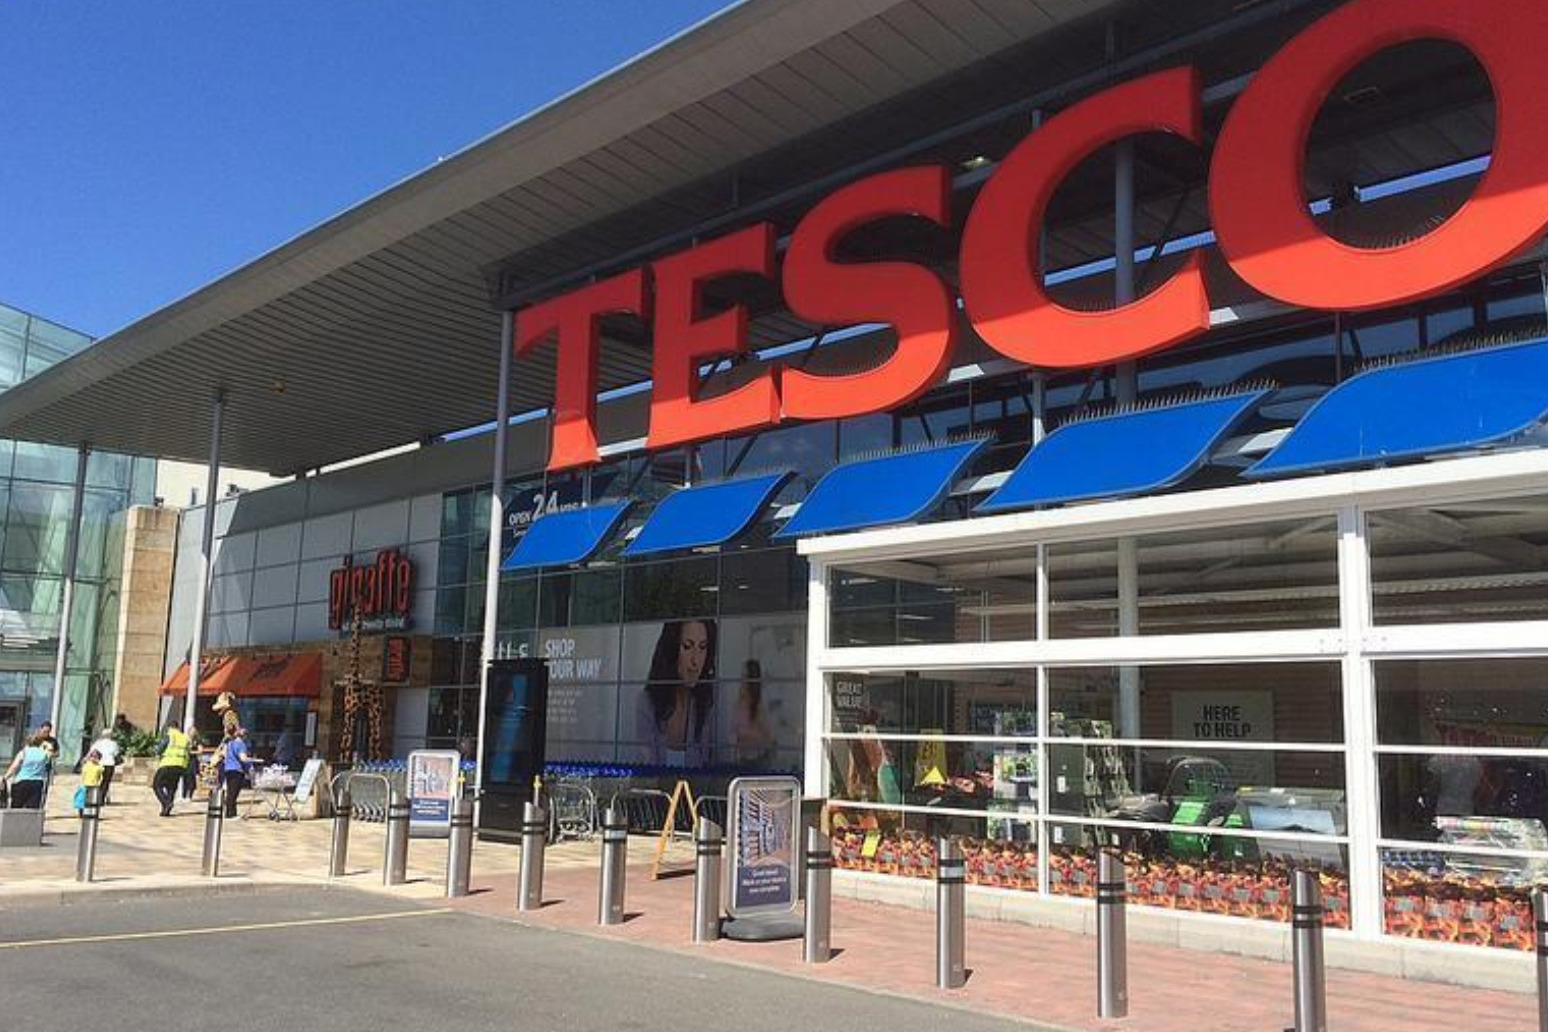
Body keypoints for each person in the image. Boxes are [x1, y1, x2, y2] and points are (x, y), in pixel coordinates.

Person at [636, 619, 716, 767]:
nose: (695, 661)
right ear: (671, 650)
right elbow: (646, 766)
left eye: (702, 647)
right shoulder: (647, 702)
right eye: (687, 647)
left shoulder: (709, 703)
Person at [732, 659, 775, 767]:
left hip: (757, 759)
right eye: (742, 675)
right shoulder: (740, 701)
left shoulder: (758, 704)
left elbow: (768, 737)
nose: (742, 680)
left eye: (745, 676)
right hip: (743, 758)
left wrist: (746, 734)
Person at [152, 721, 193, 817]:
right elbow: (188, 752)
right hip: (180, 765)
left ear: (170, 727)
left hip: (167, 763)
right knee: (171, 787)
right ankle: (166, 810)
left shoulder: (170, 736)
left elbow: (159, 749)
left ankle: (166, 802)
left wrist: (156, 752)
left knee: (156, 785)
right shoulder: (185, 738)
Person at [4, 733, 54, 808]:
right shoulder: (44, 754)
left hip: (22, 782)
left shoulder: (23, 752)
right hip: (37, 783)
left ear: (27, 742)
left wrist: (5, 777)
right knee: (32, 810)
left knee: (16, 807)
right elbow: (47, 769)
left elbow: (14, 767)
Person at [218, 728, 257, 817]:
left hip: (228, 769)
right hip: (237, 770)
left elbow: (224, 754)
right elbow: (243, 758)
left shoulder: (230, 743)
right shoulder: (241, 744)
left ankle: (231, 812)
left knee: (230, 792)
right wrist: (253, 760)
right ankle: (230, 814)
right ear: (244, 736)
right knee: (234, 793)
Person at [89, 730, 122, 805]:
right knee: (106, 782)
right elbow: (116, 753)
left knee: (96, 781)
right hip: (109, 764)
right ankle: (101, 799)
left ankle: (94, 797)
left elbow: (91, 752)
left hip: (98, 763)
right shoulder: (113, 744)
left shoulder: (98, 743)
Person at [74, 749, 104, 814]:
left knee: (94, 799)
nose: (94, 759)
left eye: (96, 757)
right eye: (92, 756)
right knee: (83, 799)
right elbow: (83, 774)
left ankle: (94, 812)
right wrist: (82, 783)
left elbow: (100, 776)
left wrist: (99, 783)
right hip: (86, 784)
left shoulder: (99, 767)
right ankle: (82, 811)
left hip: (95, 785)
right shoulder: (86, 765)